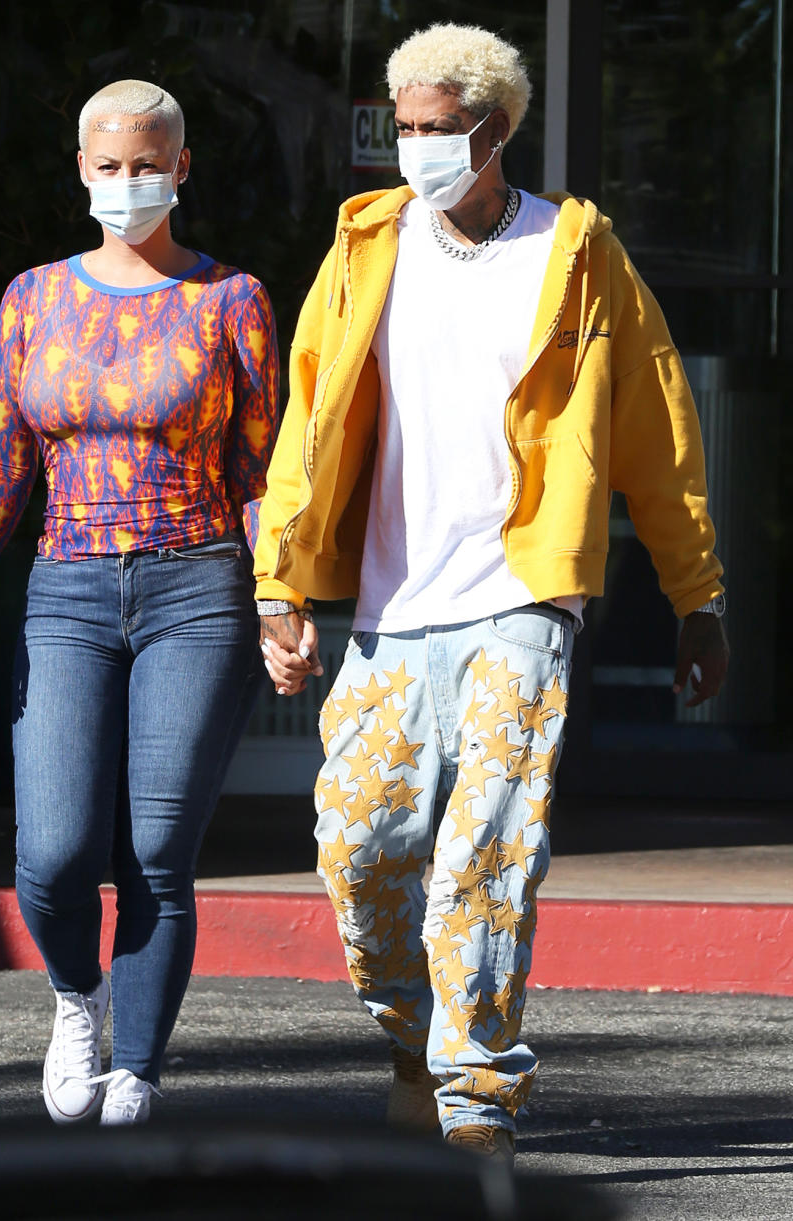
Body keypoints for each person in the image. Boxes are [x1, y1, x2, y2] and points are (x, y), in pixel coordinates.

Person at [254, 24, 728, 1158]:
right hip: (387, 603)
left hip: (522, 592)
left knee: (486, 853)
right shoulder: (368, 244)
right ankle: (419, 1043)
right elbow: (307, 418)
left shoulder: (573, 250)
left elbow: (655, 421)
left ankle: (477, 1099)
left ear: (495, 129)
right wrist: (281, 581)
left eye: (436, 129)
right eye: (403, 129)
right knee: (357, 854)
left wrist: (696, 592)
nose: (415, 150)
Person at [0, 79, 277, 1125]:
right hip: (66, 587)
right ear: (81, 170)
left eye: (149, 164)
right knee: (55, 851)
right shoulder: (33, 298)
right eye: (110, 165)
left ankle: (141, 1067)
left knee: (160, 852)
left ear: (182, 170)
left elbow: (263, 470)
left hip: (196, 585)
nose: (129, 183)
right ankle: (76, 1002)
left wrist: (277, 600)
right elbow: (5, 451)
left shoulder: (233, 300)